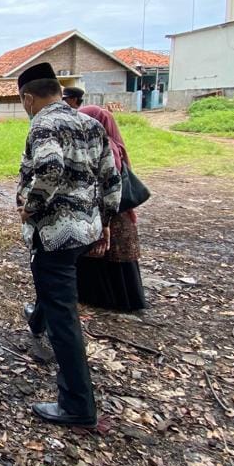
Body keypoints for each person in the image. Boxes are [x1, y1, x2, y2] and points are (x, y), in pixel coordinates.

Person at [16, 62, 120, 428]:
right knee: (53, 287)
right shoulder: (90, 123)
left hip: (56, 233)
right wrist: (105, 223)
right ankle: (35, 316)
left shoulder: (43, 124)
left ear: (28, 97)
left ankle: (77, 404)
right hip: (87, 228)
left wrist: (32, 206)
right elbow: (111, 177)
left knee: (63, 311)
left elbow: (49, 168)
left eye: (23, 102)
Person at [76, 106, 147, 312]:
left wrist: (103, 219)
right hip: (115, 211)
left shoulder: (104, 147)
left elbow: (107, 183)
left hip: (108, 211)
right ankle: (118, 299)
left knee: (103, 255)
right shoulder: (114, 145)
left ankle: (105, 299)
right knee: (114, 260)